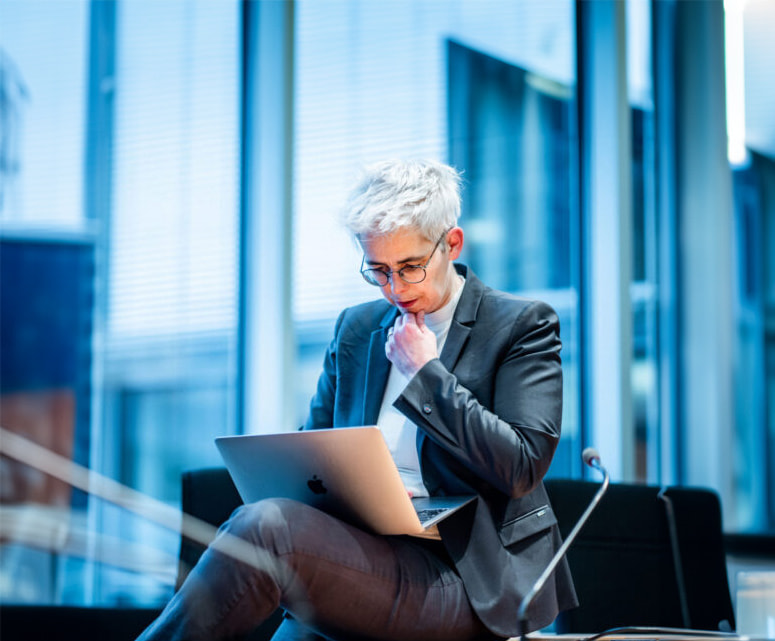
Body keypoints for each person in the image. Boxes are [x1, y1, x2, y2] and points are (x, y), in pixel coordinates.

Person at [137, 159, 577, 641]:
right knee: (264, 527)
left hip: (464, 577)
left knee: (266, 528)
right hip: (360, 556)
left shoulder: (520, 325)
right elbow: (314, 453)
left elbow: (521, 466)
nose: (395, 289)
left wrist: (424, 375)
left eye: (410, 267)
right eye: (379, 271)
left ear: (451, 243)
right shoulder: (358, 328)